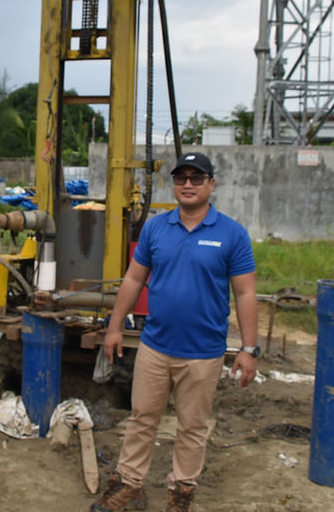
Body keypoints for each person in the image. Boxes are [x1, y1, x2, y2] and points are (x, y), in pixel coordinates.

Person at [91, 152, 258, 512]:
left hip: (203, 352)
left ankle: (181, 494)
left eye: (197, 178)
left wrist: (249, 348)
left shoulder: (232, 234)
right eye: (181, 177)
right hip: (155, 347)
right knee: (141, 419)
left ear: (211, 184)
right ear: (173, 183)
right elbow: (134, 279)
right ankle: (129, 486)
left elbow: (245, 293)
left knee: (193, 427)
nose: (188, 184)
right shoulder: (155, 228)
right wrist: (115, 327)